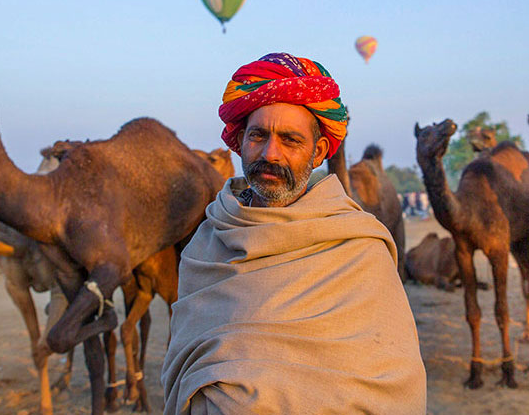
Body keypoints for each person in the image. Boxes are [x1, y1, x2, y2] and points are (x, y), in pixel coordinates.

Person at [162, 52, 427, 415]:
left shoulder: (359, 249)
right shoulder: (207, 243)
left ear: (318, 151)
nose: (270, 153)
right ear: (239, 142)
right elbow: (184, 365)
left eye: (290, 140)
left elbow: (394, 384)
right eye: (258, 135)